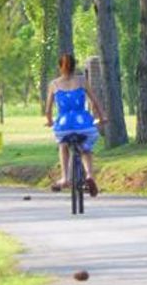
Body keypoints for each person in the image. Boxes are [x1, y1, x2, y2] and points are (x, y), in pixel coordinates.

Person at [44, 53, 106, 197]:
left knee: (63, 144)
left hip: (63, 126)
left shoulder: (54, 84)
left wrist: (49, 121)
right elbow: (95, 101)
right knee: (86, 148)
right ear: (74, 66)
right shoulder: (82, 81)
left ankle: (65, 177)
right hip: (83, 124)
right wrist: (102, 117)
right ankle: (89, 175)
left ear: (60, 67)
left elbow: (48, 110)